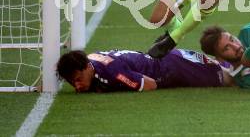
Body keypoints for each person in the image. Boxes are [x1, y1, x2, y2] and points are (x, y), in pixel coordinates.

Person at [57, 48, 225, 93]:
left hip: (174, 67)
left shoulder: (113, 73)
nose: (77, 86)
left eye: (78, 79)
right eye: (72, 83)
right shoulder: (90, 59)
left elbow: (150, 84)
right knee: (225, 69)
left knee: (227, 78)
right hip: (168, 58)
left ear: (87, 67)